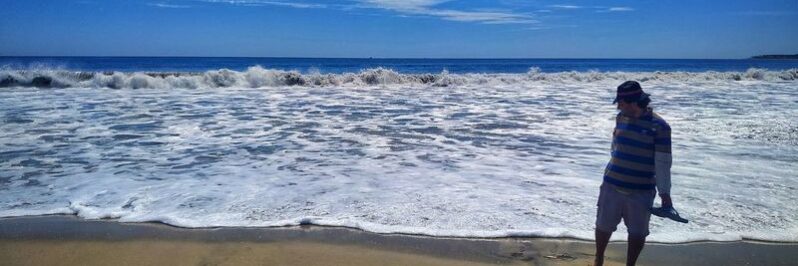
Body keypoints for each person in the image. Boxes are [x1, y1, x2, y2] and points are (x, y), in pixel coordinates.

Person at [594, 81, 673, 266]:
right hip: (611, 185)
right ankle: (599, 259)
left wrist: (665, 195)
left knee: (638, 232)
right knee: (603, 225)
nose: (618, 107)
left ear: (634, 102)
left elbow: (663, 163)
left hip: (641, 190)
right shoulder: (621, 117)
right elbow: (615, 147)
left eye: (621, 103)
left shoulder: (660, 127)